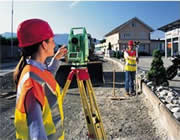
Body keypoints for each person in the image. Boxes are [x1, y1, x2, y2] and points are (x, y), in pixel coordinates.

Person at [13, 19, 67, 140]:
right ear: (44, 44)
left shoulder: (36, 69)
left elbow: (46, 78)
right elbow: (36, 134)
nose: (54, 44)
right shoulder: (31, 82)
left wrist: (56, 58)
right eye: (52, 41)